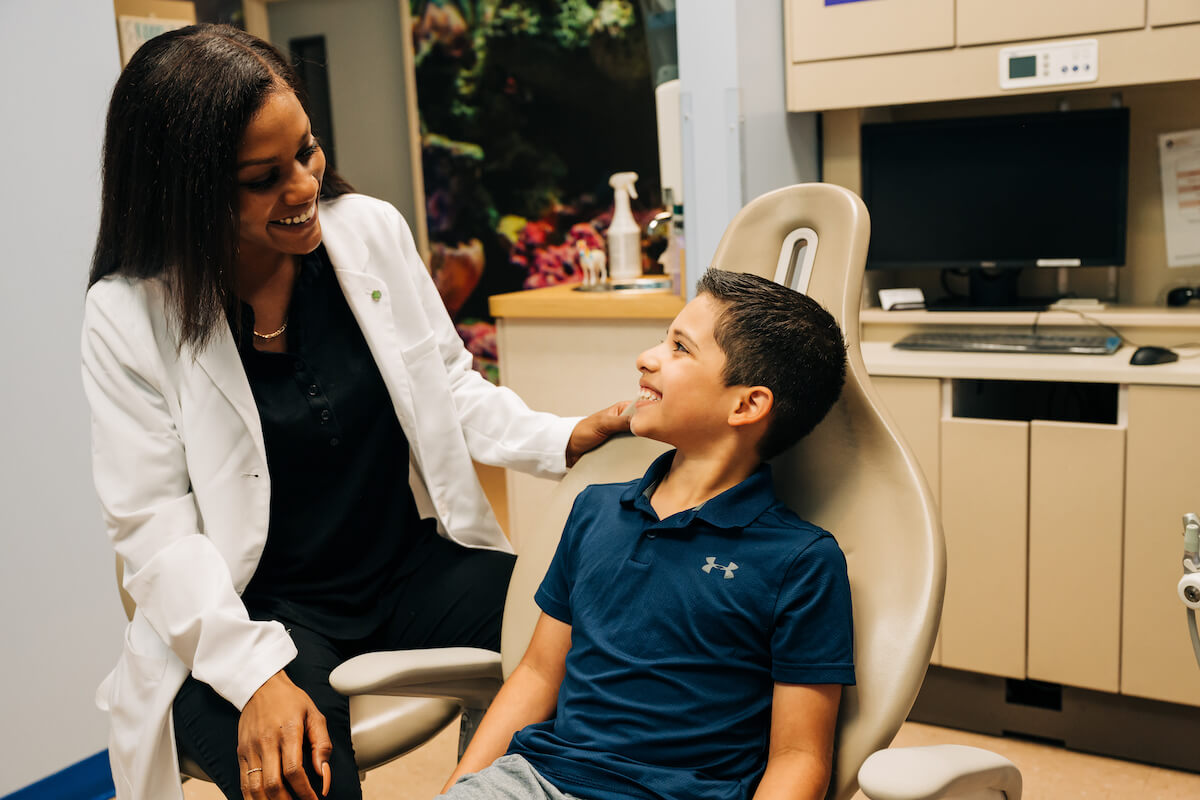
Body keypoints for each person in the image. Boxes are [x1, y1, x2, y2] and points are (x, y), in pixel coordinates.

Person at [81, 24, 628, 800]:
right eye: (262, 177)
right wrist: (256, 675)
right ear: (188, 187)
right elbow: (154, 532)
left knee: (605, 634)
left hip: (406, 572)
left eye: (307, 151)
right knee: (301, 774)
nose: (303, 187)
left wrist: (567, 435)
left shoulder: (367, 232)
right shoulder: (129, 313)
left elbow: (448, 385)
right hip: (257, 611)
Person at [438, 268, 855, 800]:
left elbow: (799, 757)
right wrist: (459, 788)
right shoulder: (595, 510)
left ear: (747, 405)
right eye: (665, 337)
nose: (647, 357)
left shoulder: (801, 561)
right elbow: (539, 675)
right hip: (537, 781)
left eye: (680, 347)